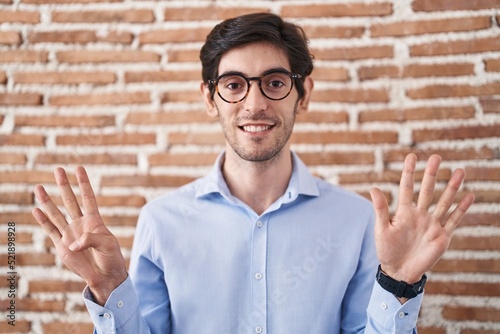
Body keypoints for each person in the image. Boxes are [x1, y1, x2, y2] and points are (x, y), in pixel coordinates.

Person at [32, 12, 475, 334]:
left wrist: (398, 284)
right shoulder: (161, 221)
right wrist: (110, 290)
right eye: (234, 85)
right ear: (210, 98)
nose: (255, 103)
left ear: (303, 94)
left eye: (275, 82)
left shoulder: (358, 221)